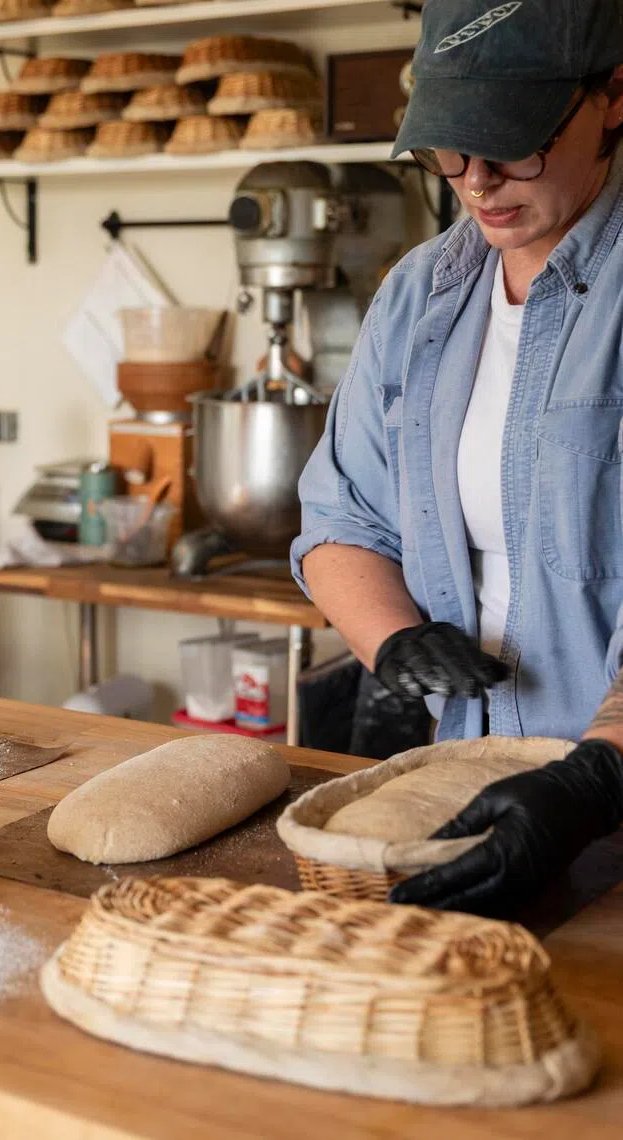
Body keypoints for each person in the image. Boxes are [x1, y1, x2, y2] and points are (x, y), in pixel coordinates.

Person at [290, 0, 623, 915]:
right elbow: (341, 518)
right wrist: (394, 637)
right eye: (447, 150)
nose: (475, 182)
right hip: (466, 781)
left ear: (614, 95)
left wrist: (598, 781)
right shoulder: (421, 294)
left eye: (510, 144)